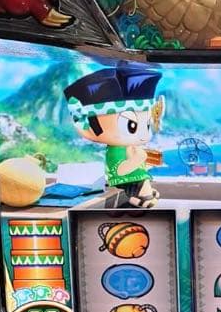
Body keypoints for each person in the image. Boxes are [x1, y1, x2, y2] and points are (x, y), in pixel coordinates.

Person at [64, 62, 164, 208]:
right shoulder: (115, 151)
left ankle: (142, 194)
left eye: (147, 125)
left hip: (133, 178)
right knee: (140, 183)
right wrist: (137, 159)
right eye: (131, 126)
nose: (143, 135)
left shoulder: (129, 146)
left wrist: (143, 163)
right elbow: (120, 170)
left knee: (143, 180)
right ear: (93, 126)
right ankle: (139, 197)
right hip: (124, 182)